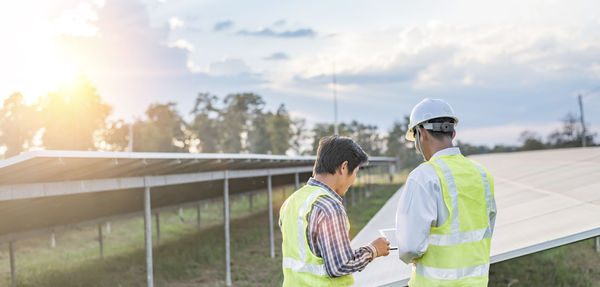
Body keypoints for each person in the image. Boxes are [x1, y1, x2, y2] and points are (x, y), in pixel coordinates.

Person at [395, 99, 497, 286]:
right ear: (453, 132)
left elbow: (409, 247)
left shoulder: (424, 176)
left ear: (421, 133)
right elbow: (486, 228)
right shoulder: (482, 173)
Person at [279, 135, 390, 286]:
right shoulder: (329, 206)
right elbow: (339, 265)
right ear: (344, 167)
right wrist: (373, 249)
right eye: (356, 172)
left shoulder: (291, 201)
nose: (354, 179)